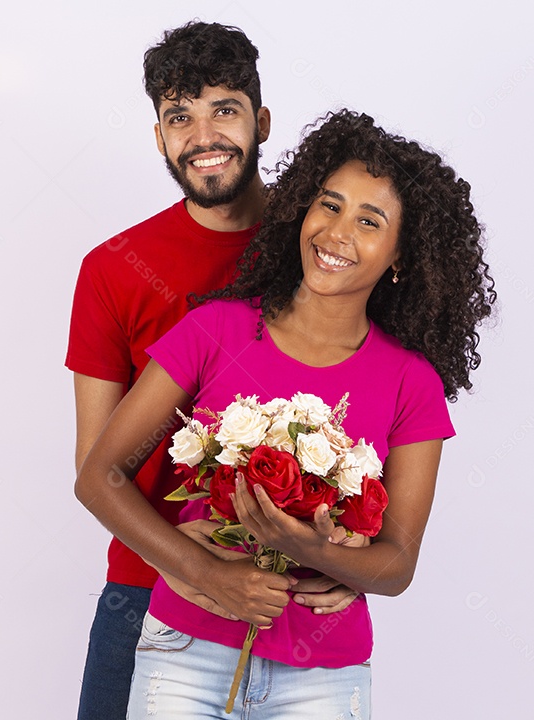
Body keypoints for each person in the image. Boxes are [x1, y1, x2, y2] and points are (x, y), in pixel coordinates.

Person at [75, 109, 496, 718]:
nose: (337, 231)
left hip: (322, 678)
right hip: (184, 650)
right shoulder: (215, 329)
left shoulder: (413, 383)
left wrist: (317, 552)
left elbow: (398, 562)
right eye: (328, 205)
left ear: (401, 256)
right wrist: (200, 569)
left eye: (368, 220)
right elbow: (99, 476)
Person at [66, 22, 358, 719]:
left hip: (288, 590)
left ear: (259, 121)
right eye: (179, 117)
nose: (203, 135)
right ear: (160, 136)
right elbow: (93, 467)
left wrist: (355, 554)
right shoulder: (112, 269)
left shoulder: (321, 251)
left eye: (223, 109)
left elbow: (378, 393)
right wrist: (192, 566)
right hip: (145, 590)